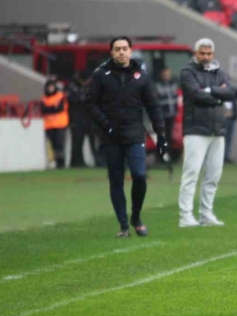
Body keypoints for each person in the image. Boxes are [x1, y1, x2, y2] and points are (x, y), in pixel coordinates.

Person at [85, 36, 167, 237]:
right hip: (111, 136)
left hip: (134, 134)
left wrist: (161, 134)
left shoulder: (142, 76)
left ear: (130, 51)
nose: (121, 52)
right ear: (111, 52)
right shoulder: (100, 75)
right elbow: (90, 103)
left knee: (139, 175)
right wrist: (106, 126)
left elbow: (153, 106)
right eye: (117, 49)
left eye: (124, 48)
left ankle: (136, 217)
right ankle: (123, 226)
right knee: (116, 181)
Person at [178, 38, 237, 227]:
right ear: (195, 54)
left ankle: (206, 213)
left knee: (213, 175)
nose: (205, 57)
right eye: (202, 53)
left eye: (209, 54)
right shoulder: (187, 72)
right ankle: (185, 215)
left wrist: (210, 91)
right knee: (191, 173)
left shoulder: (220, 72)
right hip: (196, 128)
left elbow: (231, 92)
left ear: (213, 54)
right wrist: (217, 95)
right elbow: (195, 95)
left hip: (217, 129)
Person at [67, 71, 101, 167]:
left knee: (93, 142)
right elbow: (74, 100)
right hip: (77, 119)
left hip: (89, 119)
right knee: (77, 142)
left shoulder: (90, 87)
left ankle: (97, 161)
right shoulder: (73, 88)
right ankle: (77, 162)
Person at [41, 79, 69, 169]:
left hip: (60, 124)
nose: (50, 89)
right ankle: (57, 162)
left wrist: (51, 108)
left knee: (60, 144)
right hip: (49, 125)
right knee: (53, 145)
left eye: (51, 86)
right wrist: (53, 107)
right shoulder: (44, 98)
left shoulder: (60, 96)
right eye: (48, 87)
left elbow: (60, 108)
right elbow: (44, 110)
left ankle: (62, 162)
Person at [155, 67, 179, 160]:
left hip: (171, 114)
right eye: (165, 74)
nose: (167, 76)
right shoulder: (158, 85)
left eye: (168, 74)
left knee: (169, 136)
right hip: (162, 115)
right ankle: (160, 157)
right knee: (161, 135)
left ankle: (168, 156)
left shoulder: (173, 84)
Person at [223, 86, 237, 164]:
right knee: (222, 139)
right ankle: (221, 157)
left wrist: (232, 88)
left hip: (231, 118)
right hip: (223, 118)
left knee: (229, 138)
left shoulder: (231, 91)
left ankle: (226, 156)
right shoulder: (218, 90)